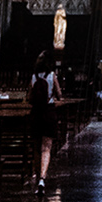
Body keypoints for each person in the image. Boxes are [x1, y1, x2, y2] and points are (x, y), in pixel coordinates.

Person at [29, 49, 62, 193]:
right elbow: (59, 95)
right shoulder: (52, 76)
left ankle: (37, 178)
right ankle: (42, 178)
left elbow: (29, 97)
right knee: (46, 148)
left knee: (36, 148)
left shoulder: (33, 77)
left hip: (36, 113)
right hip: (48, 112)